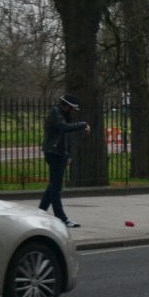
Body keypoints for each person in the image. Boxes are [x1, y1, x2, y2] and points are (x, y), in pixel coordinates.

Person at [38, 93, 90, 227]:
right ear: (67, 106)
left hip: (59, 153)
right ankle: (61, 218)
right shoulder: (55, 112)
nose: (73, 111)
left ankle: (39, 212)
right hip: (54, 153)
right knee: (56, 187)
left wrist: (68, 154)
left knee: (53, 186)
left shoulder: (63, 115)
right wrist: (83, 124)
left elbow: (66, 138)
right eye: (72, 108)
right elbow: (64, 128)